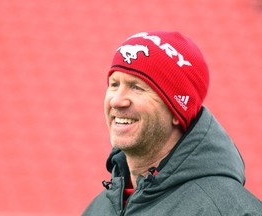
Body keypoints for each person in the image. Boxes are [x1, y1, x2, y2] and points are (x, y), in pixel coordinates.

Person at [83, 31, 262, 215]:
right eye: (114, 84)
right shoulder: (98, 209)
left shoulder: (227, 210)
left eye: (137, 87)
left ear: (177, 111)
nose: (116, 101)